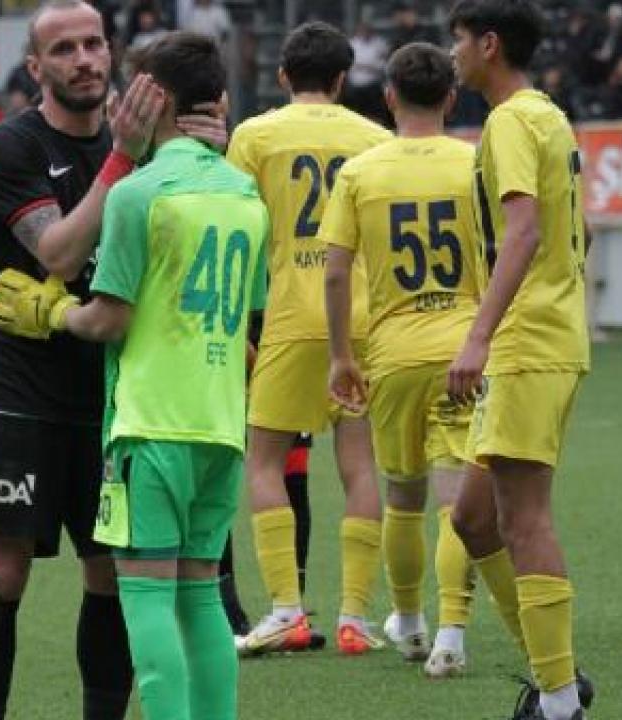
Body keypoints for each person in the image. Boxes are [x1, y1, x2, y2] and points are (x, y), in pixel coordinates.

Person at [0, 2, 225, 718]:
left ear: (111, 52)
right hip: (24, 394)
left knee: (110, 573)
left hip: (120, 395)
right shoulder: (12, 148)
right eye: (63, 49)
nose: (83, 59)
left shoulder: (148, 144)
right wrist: (123, 158)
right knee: (3, 571)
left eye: (93, 44)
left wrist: (205, 157)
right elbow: (60, 253)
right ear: (35, 67)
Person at [446, 2, 595, 717]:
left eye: (457, 40)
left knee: (524, 519)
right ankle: (554, 673)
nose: (452, 53)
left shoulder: (510, 120)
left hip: (528, 341)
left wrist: (478, 335)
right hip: (545, 336)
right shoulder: (549, 116)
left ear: (489, 45)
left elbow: (525, 231)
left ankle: (560, 701)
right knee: (472, 518)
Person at [226, 20, 391, 657]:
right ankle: (354, 617)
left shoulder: (254, 136)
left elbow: (238, 228)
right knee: (360, 467)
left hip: (291, 315)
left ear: (282, 75)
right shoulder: (375, 138)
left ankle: (286, 611)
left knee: (264, 462)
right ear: (344, 79)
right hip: (362, 317)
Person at [323, 42, 481, 678]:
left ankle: (409, 622)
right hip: (463, 348)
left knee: (404, 496)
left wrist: (341, 355)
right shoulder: (475, 164)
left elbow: (337, 273)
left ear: (388, 96)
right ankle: (452, 636)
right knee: (455, 501)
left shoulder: (361, 173)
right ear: (451, 97)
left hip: (393, 353)